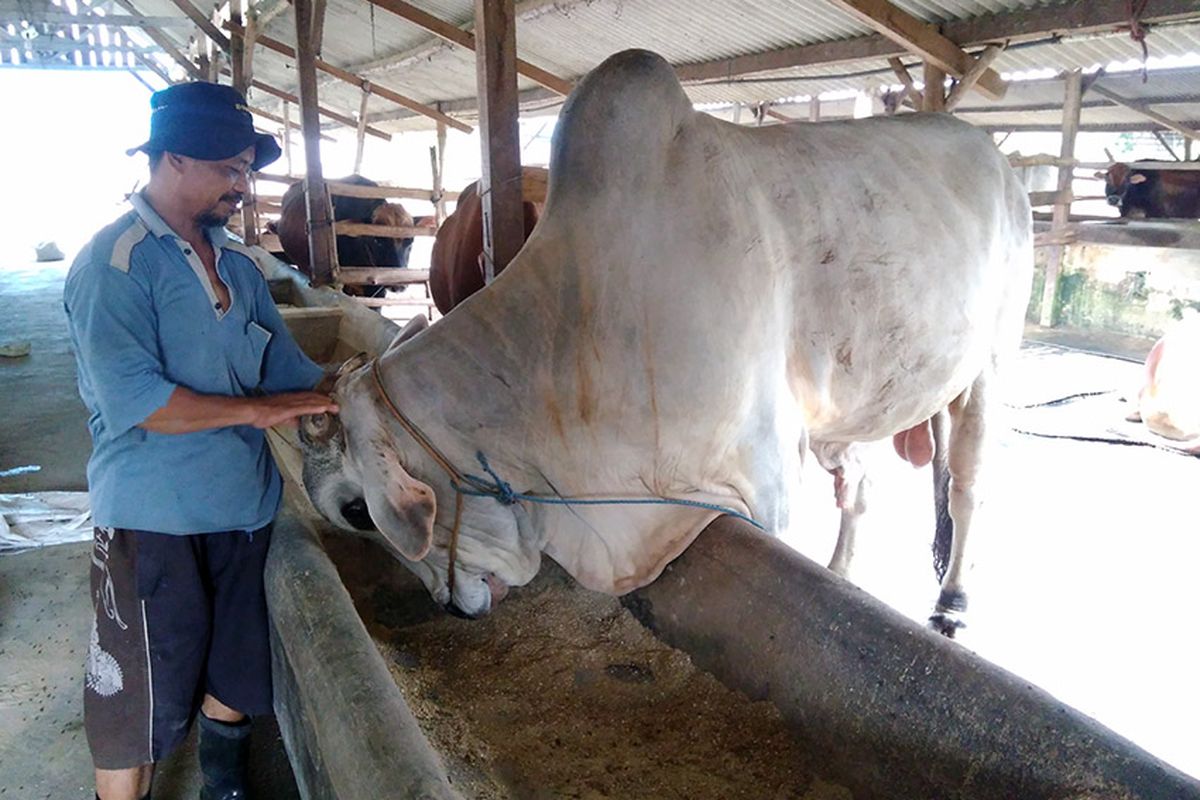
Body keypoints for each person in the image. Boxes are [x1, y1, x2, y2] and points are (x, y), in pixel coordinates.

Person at [63, 81, 338, 800]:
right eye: (230, 169)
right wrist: (259, 413)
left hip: (245, 510)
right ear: (175, 158)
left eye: (247, 170)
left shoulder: (240, 268)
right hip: (155, 517)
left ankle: (224, 780)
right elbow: (140, 402)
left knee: (236, 666)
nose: (243, 187)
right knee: (139, 694)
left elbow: (291, 370)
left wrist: (368, 381)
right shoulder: (113, 266)